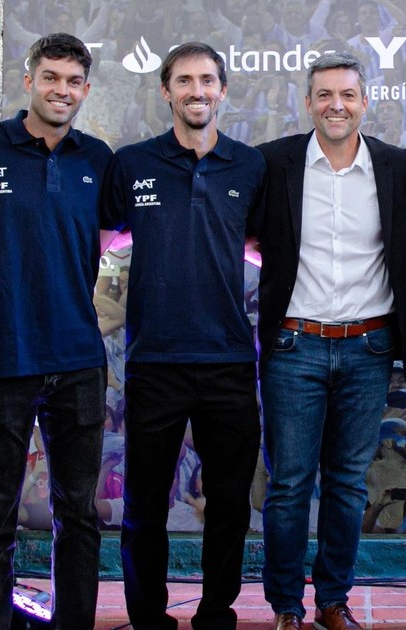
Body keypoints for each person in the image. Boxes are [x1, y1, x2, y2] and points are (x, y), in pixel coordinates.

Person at [0, 33, 111, 628]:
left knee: (78, 513)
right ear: (29, 80)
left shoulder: (97, 159)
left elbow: (108, 231)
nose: (62, 90)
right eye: (50, 77)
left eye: (74, 81)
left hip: (78, 359)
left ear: (86, 89)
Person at [102, 42, 266, 630]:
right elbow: (99, 237)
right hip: (155, 361)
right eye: (185, 81)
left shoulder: (250, 166)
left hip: (229, 363)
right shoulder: (132, 164)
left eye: (207, 80)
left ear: (223, 90)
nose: (197, 91)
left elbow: (266, 244)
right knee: (145, 505)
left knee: (229, 504)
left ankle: (216, 611)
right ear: (166, 90)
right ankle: (147, 616)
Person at [253, 51, 406, 630]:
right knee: (290, 484)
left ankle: (332, 600)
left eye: (347, 94)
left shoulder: (397, 167)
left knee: (347, 485)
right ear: (307, 102)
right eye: (324, 94)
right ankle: (286, 606)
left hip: (369, 349)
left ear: (365, 102)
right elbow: (245, 234)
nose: (336, 105)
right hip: (294, 346)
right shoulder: (274, 163)